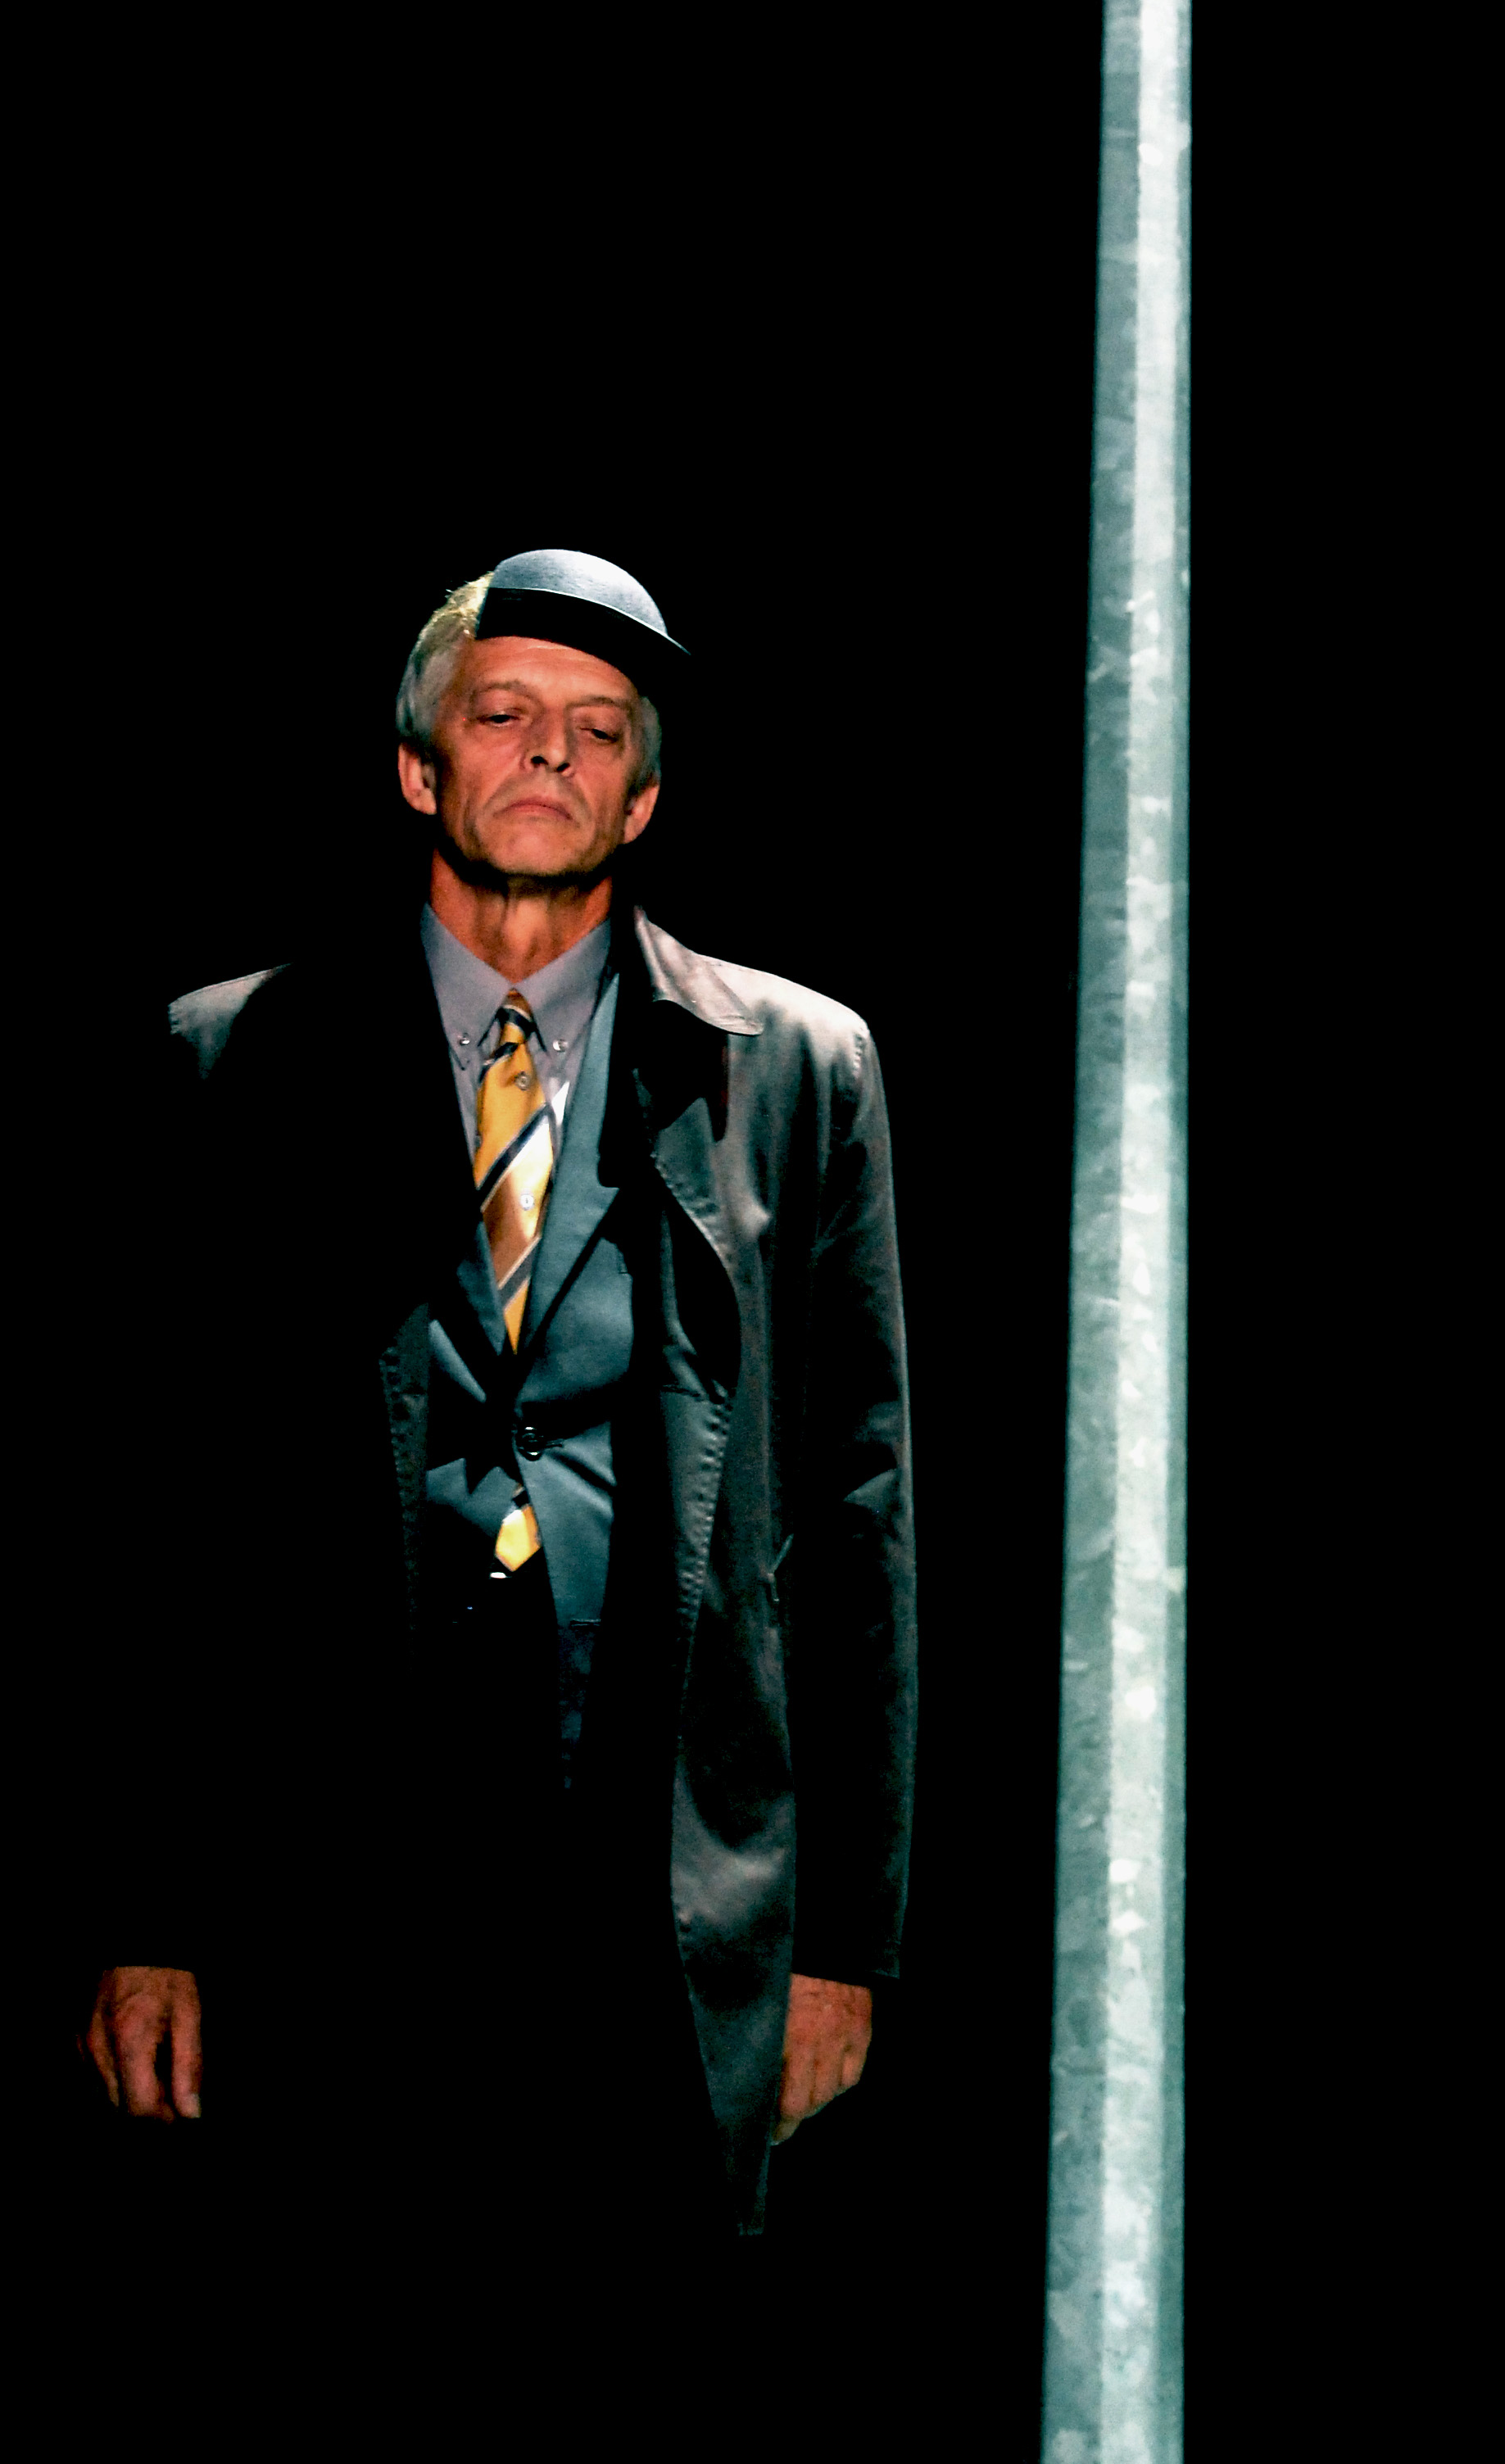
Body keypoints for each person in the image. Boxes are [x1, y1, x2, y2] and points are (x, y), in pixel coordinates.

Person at [77, 550, 916, 2349]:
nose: (550, 753)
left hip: (659, 1907)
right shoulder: (234, 1059)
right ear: (418, 765)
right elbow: (151, 1523)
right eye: (505, 714)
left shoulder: (795, 1070)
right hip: (337, 1900)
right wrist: (150, 1912)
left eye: (599, 729)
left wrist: (842, 1945)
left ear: (645, 796)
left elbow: (859, 1526)